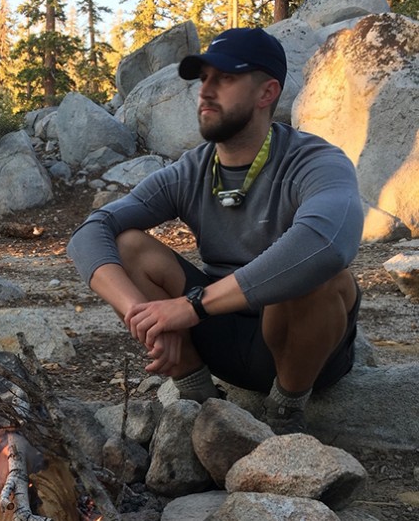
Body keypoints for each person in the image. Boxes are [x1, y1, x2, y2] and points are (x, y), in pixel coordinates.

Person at [66, 27, 364, 435]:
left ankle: (285, 413)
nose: (206, 90)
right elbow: (90, 232)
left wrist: (191, 307)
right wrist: (147, 318)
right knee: (128, 245)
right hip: (219, 340)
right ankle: (198, 399)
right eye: (204, 78)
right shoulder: (191, 170)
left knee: (323, 274)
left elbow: (329, 242)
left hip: (300, 348)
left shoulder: (314, 161)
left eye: (225, 78)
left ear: (267, 93)